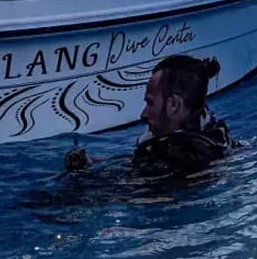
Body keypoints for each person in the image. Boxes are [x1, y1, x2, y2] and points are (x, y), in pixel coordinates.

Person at [64, 55, 233, 174]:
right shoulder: (215, 139)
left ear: (174, 105)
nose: (143, 114)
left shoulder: (181, 158)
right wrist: (93, 163)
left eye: (150, 103)